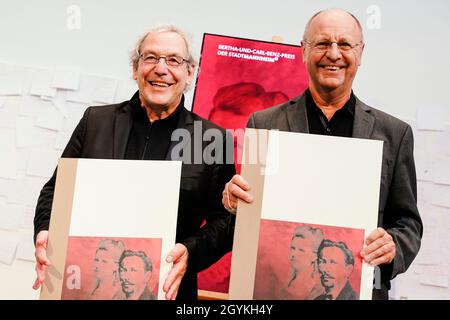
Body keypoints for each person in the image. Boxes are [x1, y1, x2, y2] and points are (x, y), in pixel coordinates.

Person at [222, 8, 423, 299]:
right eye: (322, 43)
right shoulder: (263, 124)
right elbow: (244, 226)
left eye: (344, 44)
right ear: (303, 51)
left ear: (361, 53)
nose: (333, 53)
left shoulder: (395, 134)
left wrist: (394, 245)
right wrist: (234, 204)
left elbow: (409, 224)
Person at [33, 25, 236, 300]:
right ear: (135, 68)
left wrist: (190, 251)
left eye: (174, 60)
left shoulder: (212, 139)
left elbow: (225, 221)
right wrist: (45, 229)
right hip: (90, 284)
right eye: (150, 58)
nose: (161, 69)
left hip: (168, 289)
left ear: (189, 74)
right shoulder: (95, 122)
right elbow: (55, 191)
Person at [280, 225, 325, 300]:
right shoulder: (289, 278)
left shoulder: (317, 288)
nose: (293, 254)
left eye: (301, 250)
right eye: (293, 248)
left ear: (315, 255)